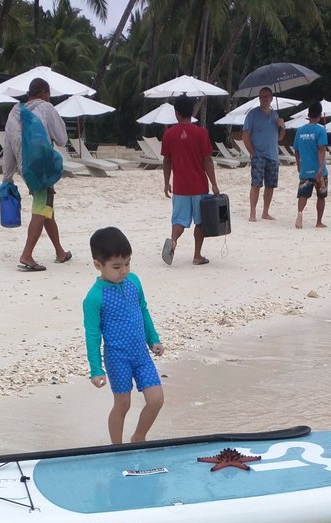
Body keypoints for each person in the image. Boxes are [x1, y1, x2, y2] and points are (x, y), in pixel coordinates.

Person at [83, 227, 165, 444]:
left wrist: (153, 339)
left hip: (141, 355)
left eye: (127, 263)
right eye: (117, 266)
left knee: (156, 400)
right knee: (123, 404)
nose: (124, 271)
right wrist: (96, 368)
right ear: (98, 265)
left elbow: (143, 310)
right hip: (117, 358)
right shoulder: (94, 297)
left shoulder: (134, 282)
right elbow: (92, 335)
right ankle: (116, 448)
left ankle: (139, 436)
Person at [1, 78, 72, 272]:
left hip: (25, 169)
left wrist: (7, 177)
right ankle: (27, 254)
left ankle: (60, 252)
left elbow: (8, 146)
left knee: (47, 208)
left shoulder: (14, 111)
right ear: (43, 92)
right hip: (42, 167)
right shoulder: (46, 107)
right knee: (41, 208)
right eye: (48, 94)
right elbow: (62, 139)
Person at [160, 94, 221, 266]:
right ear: (192, 112)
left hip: (180, 187)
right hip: (199, 186)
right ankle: (197, 255)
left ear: (176, 113)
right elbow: (207, 160)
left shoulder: (169, 134)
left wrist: (166, 182)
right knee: (200, 222)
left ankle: (173, 242)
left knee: (178, 220)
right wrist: (214, 184)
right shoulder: (201, 133)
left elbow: (167, 161)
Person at [242, 86, 284, 222]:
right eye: (261, 96)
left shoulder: (275, 115)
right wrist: (252, 152)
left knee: (270, 185)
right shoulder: (252, 114)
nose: (264, 99)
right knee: (256, 184)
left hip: (273, 155)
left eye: (266, 96)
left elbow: (280, 137)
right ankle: (252, 212)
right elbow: (245, 135)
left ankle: (265, 212)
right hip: (259, 154)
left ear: (271, 98)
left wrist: (282, 126)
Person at [292, 100, 329, 229]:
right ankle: (318, 221)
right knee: (321, 196)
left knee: (303, 195)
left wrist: (298, 164)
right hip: (319, 171)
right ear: (320, 115)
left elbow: (296, 150)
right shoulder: (321, 131)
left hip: (305, 169)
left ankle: (300, 213)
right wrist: (320, 168)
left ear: (308, 114)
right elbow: (321, 150)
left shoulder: (300, 131)